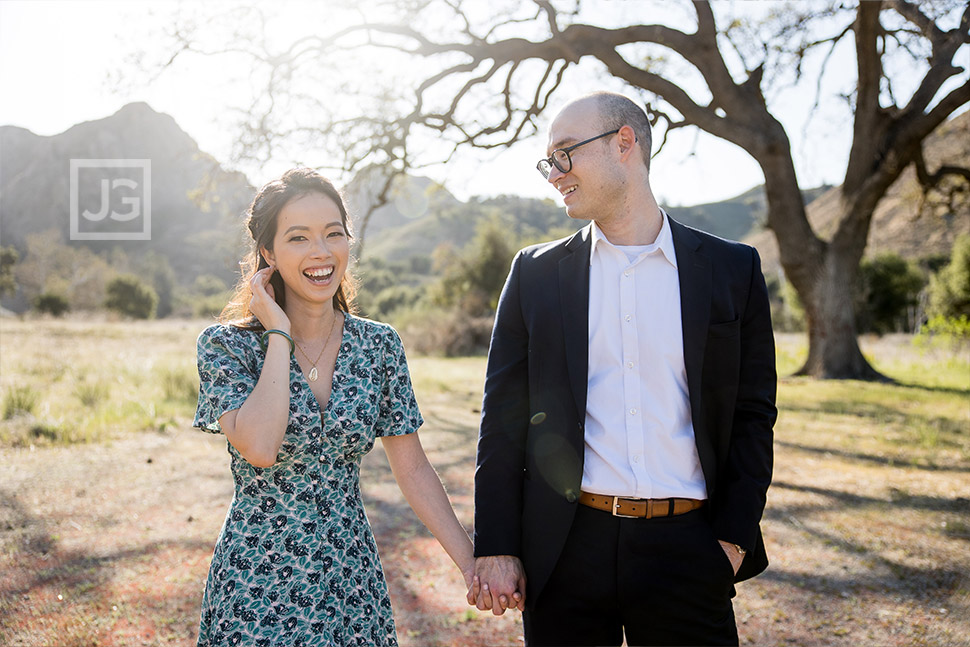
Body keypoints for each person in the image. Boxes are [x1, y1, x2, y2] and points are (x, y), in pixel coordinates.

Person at [469, 92, 777, 646]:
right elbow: (502, 423)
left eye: (565, 153)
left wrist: (730, 541)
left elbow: (754, 414)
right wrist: (497, 545)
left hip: (690, 549)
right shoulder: (534, 275)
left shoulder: (733, 269)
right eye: (549, 160)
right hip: (566, 550)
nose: (553, 173)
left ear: (624, 143)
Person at [193, 167, 475, 646]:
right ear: (268, 253)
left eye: (333, 234)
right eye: (298, 238)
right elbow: (260, 446)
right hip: (256, 580)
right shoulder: (227, 347)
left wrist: (470, 565)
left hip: (349, 576)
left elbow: (412, 468)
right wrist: (278, 333)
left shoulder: (379, 346)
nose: (321, 252)